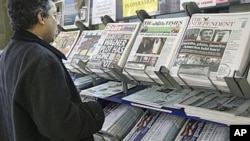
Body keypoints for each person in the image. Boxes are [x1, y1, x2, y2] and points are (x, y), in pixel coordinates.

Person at [0, 0, 104, 141]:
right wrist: (95, 111)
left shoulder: (8, 52)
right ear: (41, 17)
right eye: (55, 15)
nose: (57, 22)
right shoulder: (41, 60)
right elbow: (62, 126)